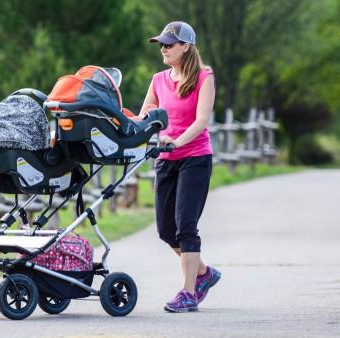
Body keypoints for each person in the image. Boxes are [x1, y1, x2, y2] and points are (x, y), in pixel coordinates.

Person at [136, 21, 221, 313]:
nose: (163, 48)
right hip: (166, 159)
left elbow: (201, 121)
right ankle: (204, 273)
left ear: (185, 46)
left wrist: (176, 141)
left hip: (195, 158)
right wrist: (119, 124)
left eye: (169, 44)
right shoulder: (159, 79)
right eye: (161, 44)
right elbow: (144, 116)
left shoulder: (204, 77)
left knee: (186, 226)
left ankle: (188, 293)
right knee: (165, 230)